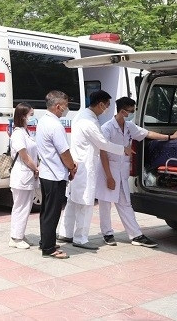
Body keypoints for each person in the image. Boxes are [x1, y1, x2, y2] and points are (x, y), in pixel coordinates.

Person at [98, 97, 177, 248]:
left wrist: (170, 137)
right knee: (105, 203)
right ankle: (107, 233)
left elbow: (148, 134)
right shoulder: (107, 128)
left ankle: (136, 235)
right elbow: (102, 152)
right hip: (108, 170)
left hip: (122, 171)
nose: (133, 113)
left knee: (125, 203)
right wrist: (109, 176)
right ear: (122, 111)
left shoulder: (129, 126)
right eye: (131, 111)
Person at [58, 90, 132, 249]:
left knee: (73, 201)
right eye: (107, 105)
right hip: (86, 167)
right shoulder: (89, 122)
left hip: (78, 165)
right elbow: (103, 143)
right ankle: (80, 238)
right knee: (85, 203)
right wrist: (123, 149)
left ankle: (66, 233)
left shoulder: (81, 116)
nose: (108, 109)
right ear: (100, 104)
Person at [36, 90, 77, 259]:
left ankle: (45, 241)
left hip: (47, 173)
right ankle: (48, 248)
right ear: (58, 106)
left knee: (46, 211)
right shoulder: (55, 125)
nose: (66, 109)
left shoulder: (43, 121)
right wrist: (72, 166)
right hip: (55, 175)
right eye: (65, 106)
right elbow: (64, 152)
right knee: (52, 213)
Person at [8, 103, 41, 249]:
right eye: (31, 115)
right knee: (20, 207)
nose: (32, 118)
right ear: (23, 116)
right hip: (22, 175)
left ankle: (20, 234)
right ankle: (16, 238)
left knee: (25, 207)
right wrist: (36, 168)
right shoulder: (18, 134)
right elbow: (25, 156)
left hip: (28, 175)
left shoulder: (26, 132)